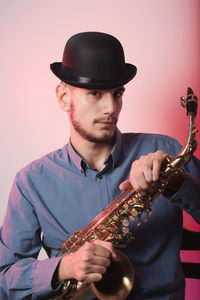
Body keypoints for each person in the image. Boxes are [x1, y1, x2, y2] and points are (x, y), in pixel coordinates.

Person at [0, 32, 200, 300]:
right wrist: (63, 267)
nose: (110, 108)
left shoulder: (166, 151)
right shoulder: (31, 181)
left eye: (117, 94)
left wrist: (176, 181)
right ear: (63, 97)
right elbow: (5, 276)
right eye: (95, 93)